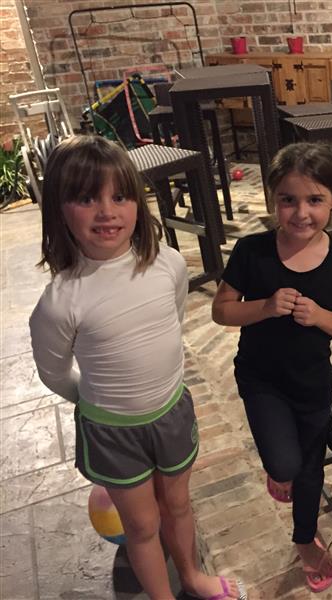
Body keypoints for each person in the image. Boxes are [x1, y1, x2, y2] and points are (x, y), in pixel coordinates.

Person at [29, 135, 245, 600]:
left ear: (138, 202)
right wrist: (100, 403)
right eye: (86, 198)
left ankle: (191, 575)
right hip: (114, 432)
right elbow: (53, 372)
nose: (106, 211)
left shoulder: (168, 264)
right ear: (59, 210)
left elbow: (172, 319)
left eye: (120, 196)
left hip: (171, 413)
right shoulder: (60, 302)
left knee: (178, 504)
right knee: (142, 525)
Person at [211, 142, 332, 593]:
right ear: (272, 199)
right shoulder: (252, 252)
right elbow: (221, 311)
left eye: (315, 199)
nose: (301, 213)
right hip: (261, 379)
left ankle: (304, 540)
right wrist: (263, 307)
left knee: (310, 469)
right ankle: (279, 472)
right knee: (284, 464)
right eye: (288, 199)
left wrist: (320, 316)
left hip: (312, 382)